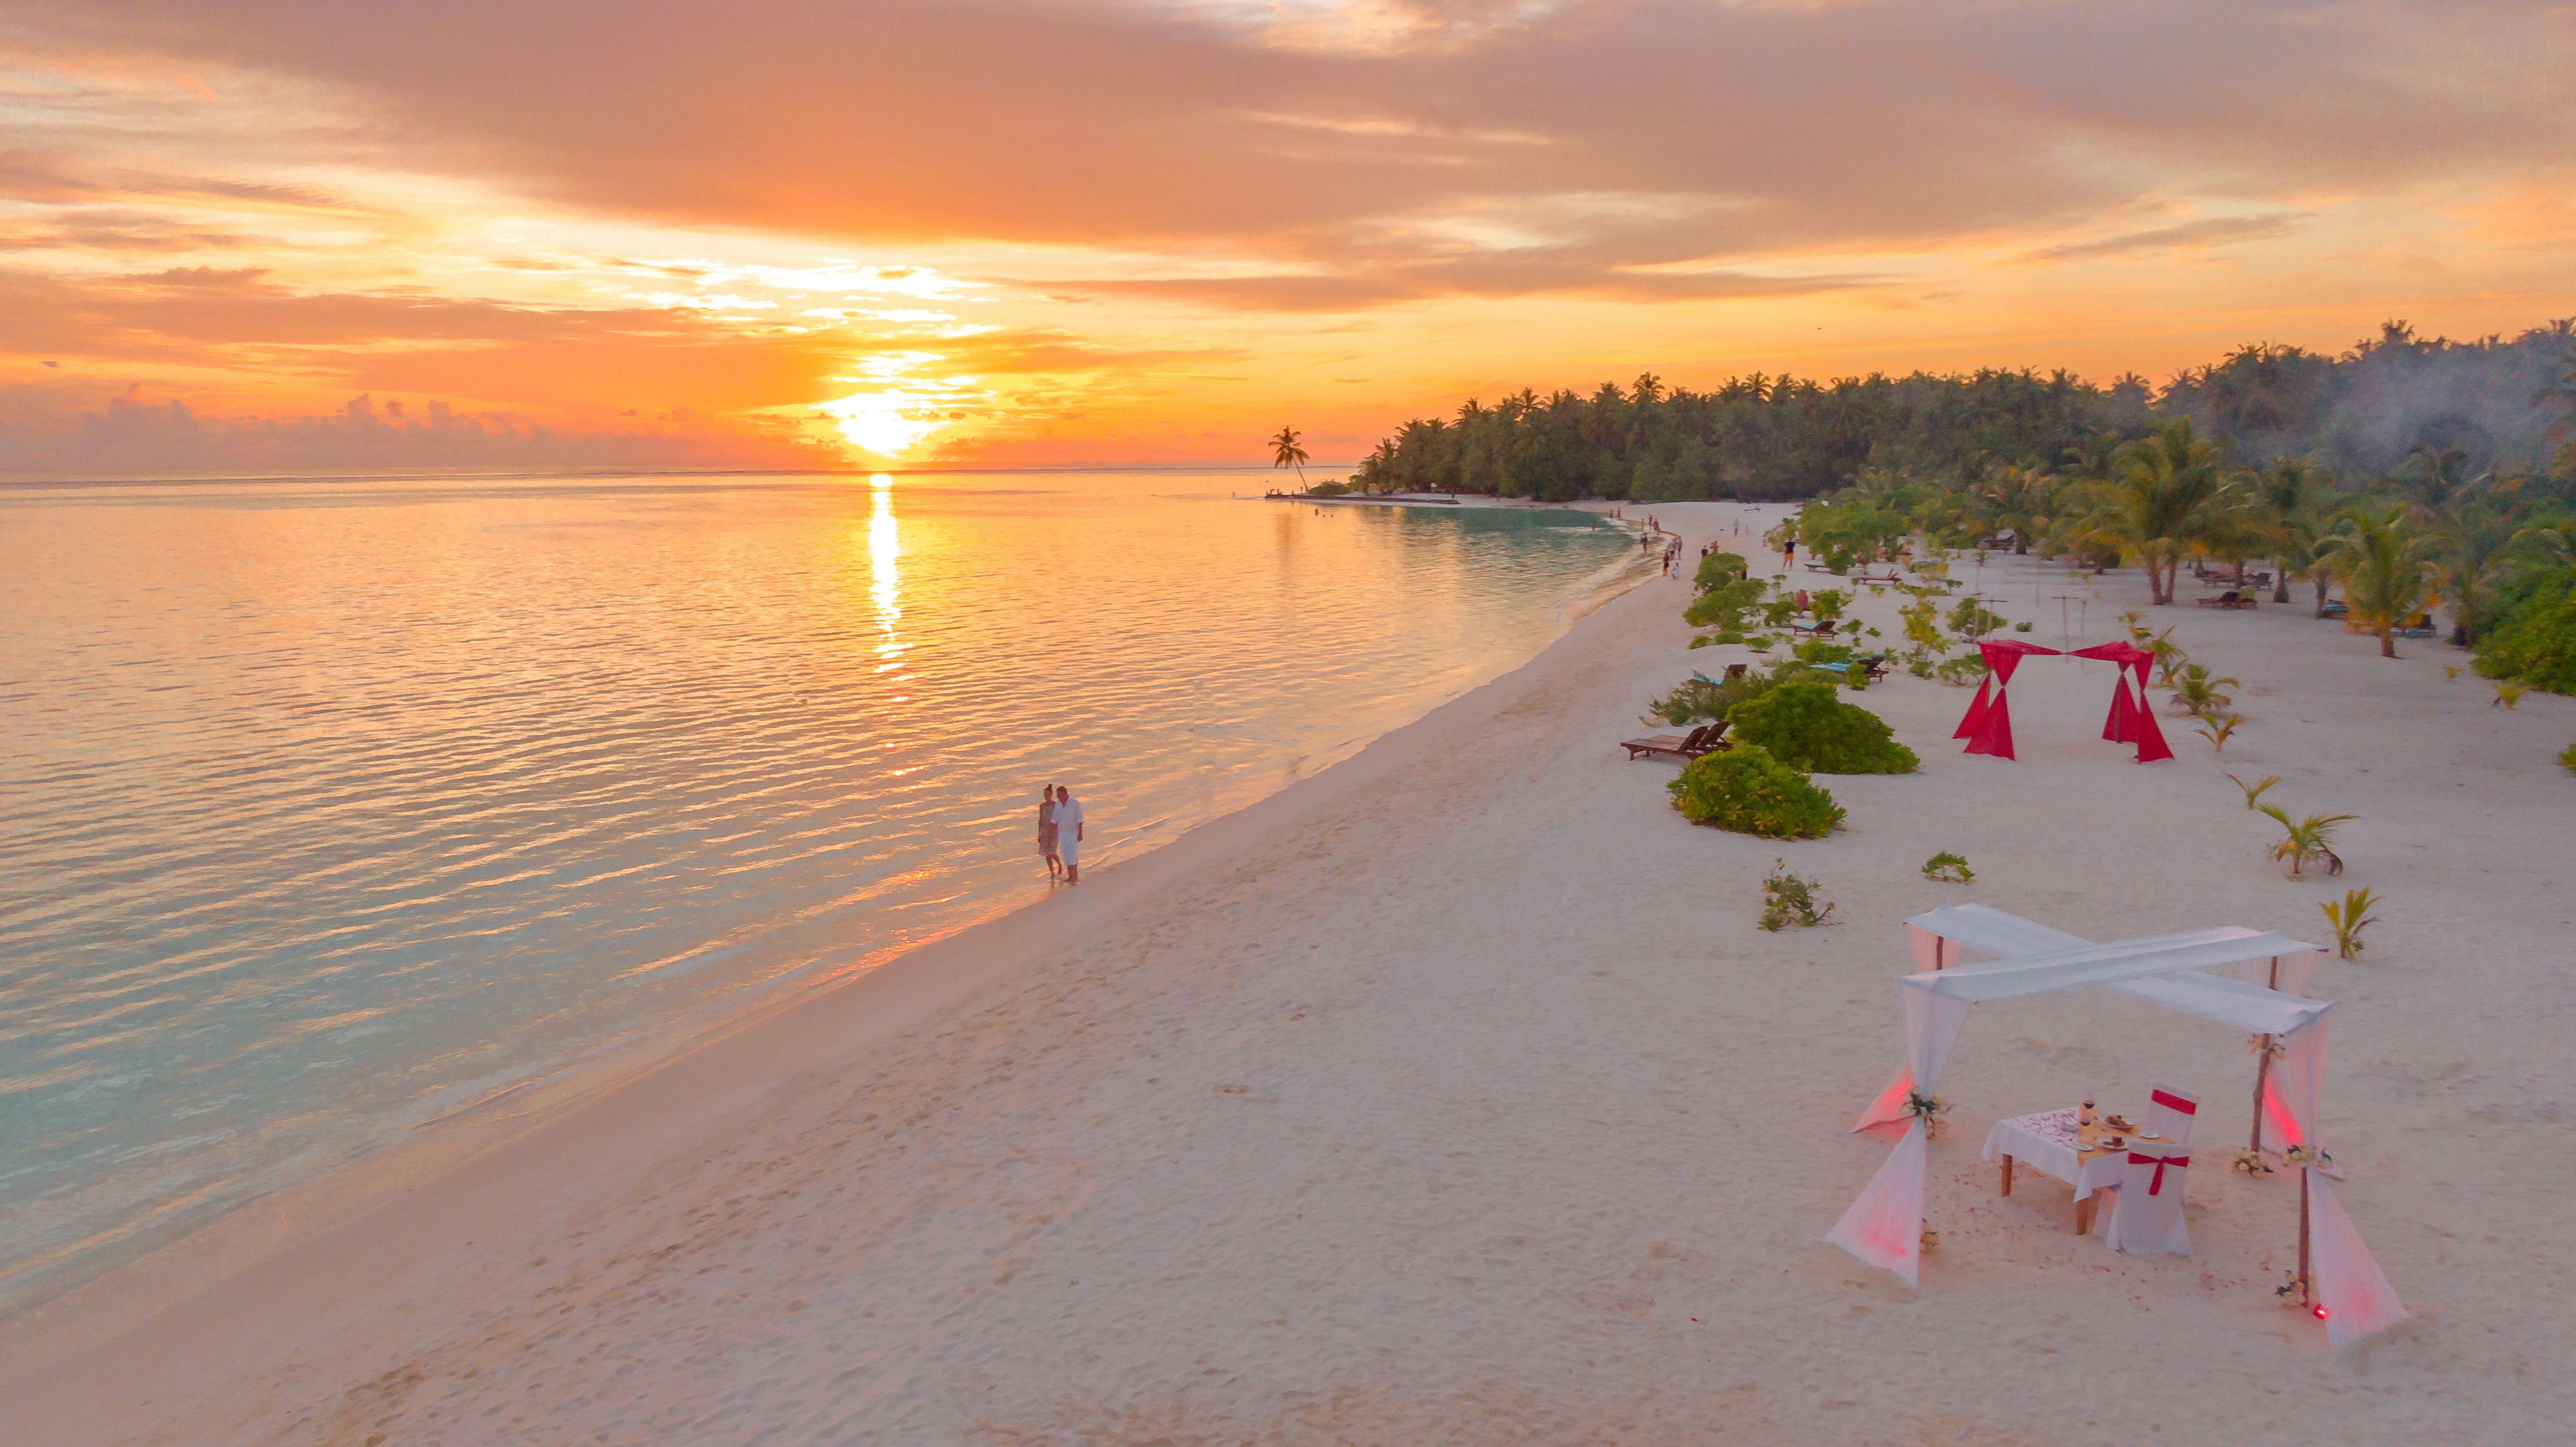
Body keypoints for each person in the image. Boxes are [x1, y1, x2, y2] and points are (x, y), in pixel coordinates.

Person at [1054, 785, 1085, 884]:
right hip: (1063, 833)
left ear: (1065, 794)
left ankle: (1075, 876)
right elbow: (1055, 819)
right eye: (1057, 795)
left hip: (1073, 833)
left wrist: (1080, 833)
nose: (1058, 797)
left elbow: (1080, 819)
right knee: (1065, 854)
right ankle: (1070, 876)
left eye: (1059, 795)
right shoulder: (1058, 805)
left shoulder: (1074, 803)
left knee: (1072, 853)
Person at [1037, 785, 1061, 882]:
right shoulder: (1042, 806)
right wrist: (1039, 834)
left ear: (1051, 795)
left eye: (1047, 794)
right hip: (1045, 832)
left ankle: (1059, 864)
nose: (1046, 796)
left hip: (1054, 832)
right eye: (1045, 795)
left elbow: (1059, 819)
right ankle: (1052, 873)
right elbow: (1040, 821)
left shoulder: (1055, 805)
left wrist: (1055, 828)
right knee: (1047, 855)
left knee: (1052, 853)